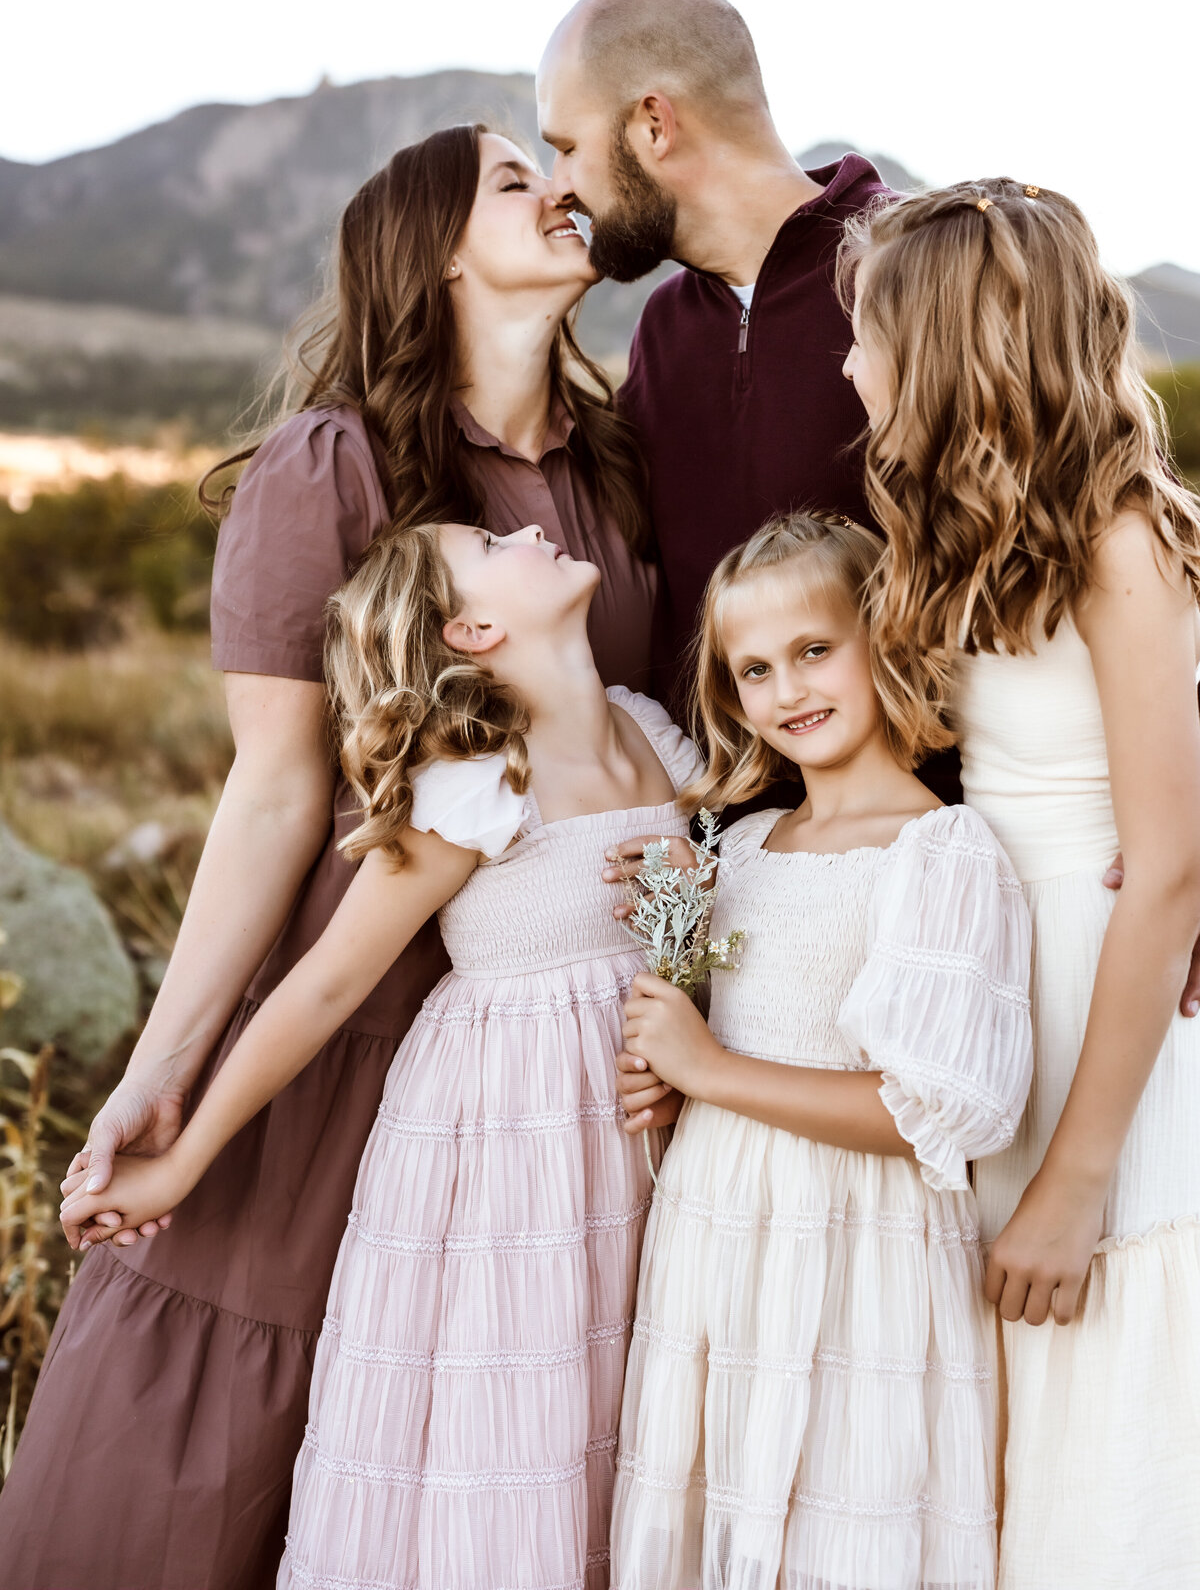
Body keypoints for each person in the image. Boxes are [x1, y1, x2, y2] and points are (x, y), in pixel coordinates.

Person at [0, 125, 655, 1590]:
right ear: (429, 248)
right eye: (509, 178)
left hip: (546, 1063)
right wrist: (166, 1067)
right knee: (229, 1431)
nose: (559, 185)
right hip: (346, 1016)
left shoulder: (613, 472)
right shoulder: (337, 462)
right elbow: (275, 795)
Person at [61, 519, 701, 1590]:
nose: (536, 527)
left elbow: (720, 891)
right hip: (505, 1141)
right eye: (500, 541)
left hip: (627, 1137)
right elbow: (323, 984)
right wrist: (181, 1154)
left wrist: (692, 878)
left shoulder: (650, 734)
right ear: (475, 627)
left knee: (610, 1410)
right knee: (516, 1425)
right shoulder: (484, 781)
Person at [839, 178, 1200, 1586]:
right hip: (1008, 1007)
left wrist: (1076, 1182)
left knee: (1102, 1444)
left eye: (868, 336)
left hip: (1111, 1044)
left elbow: (1168, 870)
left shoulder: (1121, 541)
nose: (852, 366)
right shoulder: (976, 542)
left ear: (946, 352)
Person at [608, 514, 1033, 1590]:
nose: (787, 688)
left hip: (857, 1250)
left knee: (839, 1519)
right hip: (718, 1242)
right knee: (726, 1505)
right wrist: (672, 1050)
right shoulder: (740, 844)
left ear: (886, 636)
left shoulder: (941, 849)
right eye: (754, 668)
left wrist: (710, 1069)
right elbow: (728, 1032)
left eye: (813, 649)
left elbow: (929, 1114)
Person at [537, 0, 890, 702]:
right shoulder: (663, 331)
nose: (557, 186)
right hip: (713, 813)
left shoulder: (916, 273)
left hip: (930, 810)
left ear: (654, 125)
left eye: (567, 146)